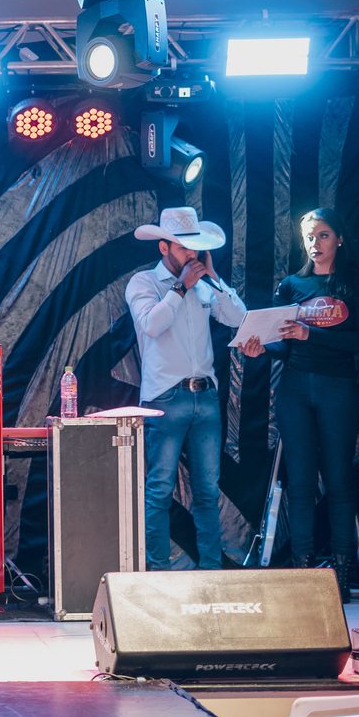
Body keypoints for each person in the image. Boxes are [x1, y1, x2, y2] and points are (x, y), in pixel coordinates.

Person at [239, 208, 359, 602]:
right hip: (295, 389)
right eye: (309, 237)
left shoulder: (354, 282)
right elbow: (285, 344)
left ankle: (340, 576)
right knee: (298, 483)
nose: (315, 243)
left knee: (338, 480)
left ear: (339, 239)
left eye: (323, 235)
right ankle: (303, 573)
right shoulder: (291, 285)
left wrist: (310, 334)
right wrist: (262, 349)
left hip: (338, 388)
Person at [126, 207, 247, 570]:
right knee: (160, 489)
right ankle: (159, 575)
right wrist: (181, 288)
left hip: (205, 397)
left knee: (208, 492)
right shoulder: (144, 282)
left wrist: (214, 278)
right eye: (183, 248)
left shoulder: (204, 283)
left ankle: (211, 573)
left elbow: (239, 317)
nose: (192, 254)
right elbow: (151, 325)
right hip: (165, 397)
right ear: (164, 247)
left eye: (195, 247)